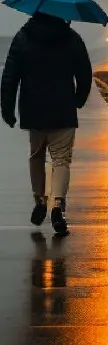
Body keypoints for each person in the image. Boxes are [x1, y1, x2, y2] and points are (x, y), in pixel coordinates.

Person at [0, 12, 92, 235]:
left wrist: (7, 109)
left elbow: (10, 76)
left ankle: (39, 200)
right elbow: (84, 72)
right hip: (63, 108)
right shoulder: (71, 38)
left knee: (37, 155)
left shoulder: (23, 37)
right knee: (61, 159)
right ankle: (58, 204)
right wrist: (78, 99)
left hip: (34, 109)